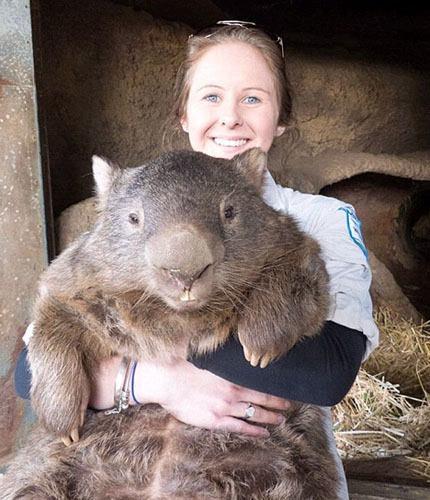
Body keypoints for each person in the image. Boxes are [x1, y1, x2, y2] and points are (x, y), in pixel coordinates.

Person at [15, 20, 379, 499]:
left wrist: (150, 335)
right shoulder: (129, 205)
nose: (230, 117)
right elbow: (31, 371)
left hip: (255, 469)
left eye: (253, 98)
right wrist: (153, 381)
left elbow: (328, 372)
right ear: (183, 114)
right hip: (108, 468)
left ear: (281, 119)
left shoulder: (320, 217)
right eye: (210, 97)